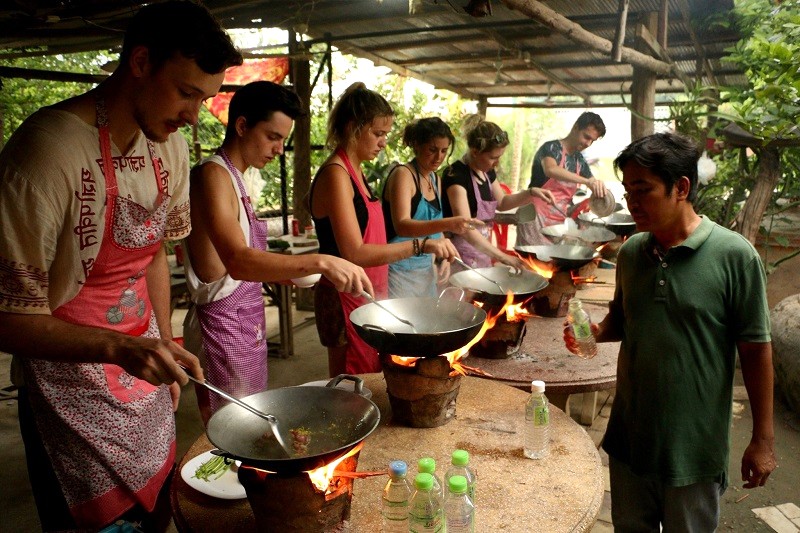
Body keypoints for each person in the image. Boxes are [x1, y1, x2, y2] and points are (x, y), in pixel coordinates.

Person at [0, 2, 242, 530]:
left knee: (158, 513)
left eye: (203, 99)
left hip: (142, 372)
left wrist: (167, 338)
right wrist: (121, 347)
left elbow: (153, 252)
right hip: (69, 395)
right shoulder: (49, 151)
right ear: (139, 62)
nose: (192, 115)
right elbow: (8, 317)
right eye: (185, 92)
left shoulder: (171, 150)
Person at [564, 132, 776, 531]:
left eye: (643, 190)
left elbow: (756, 351)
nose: (632, 202)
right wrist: (594, 332)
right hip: (629, 440)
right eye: (628, 191)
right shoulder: (630, 253)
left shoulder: (734, 256)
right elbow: (622, 322)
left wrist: (763, 439)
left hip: (693, 448)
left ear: (681, 187)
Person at [181, 81, 373, 424]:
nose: (279, 149)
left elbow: (245, 265)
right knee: (230, 430)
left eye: (283, 139)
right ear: (241, 126)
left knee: (251, 422)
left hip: (244, 323)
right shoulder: (212, 175)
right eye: (272, 136)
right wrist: (319, 260)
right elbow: (237, 261)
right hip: (221, 328)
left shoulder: (237, 177)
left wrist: (297, 273)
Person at [309, 83, 458, 377]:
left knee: (371, 378)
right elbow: (355, 251)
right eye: (378, 134)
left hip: (366, 294)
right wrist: (421, 245)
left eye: (385, 135)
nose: (382, 143)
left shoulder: (356, 172)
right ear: (353, 127)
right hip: (343, 296)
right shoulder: (336, 174)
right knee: (350, 383)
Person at [382, 117, 481, 298]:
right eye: (432, 150)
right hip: (398, 270)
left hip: (425, 269)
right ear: (417, 145)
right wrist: (448, 224)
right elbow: (402, 225)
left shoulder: (435, 179)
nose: (439, 157)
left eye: (444, 151)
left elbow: (433, 226)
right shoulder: (403, 175)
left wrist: (443, 255)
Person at [441, 116, 555, 269]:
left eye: (499, 157)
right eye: (493, 158)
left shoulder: (486, 172)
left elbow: (502, 203)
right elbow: (466, 228)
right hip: (459, 254)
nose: (497, 163)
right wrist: (502, 256)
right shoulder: (456, 175)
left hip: (483, 250)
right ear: (475, 152)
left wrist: (531, 192)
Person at [516, 111, 608, 246]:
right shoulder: (551, 148)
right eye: (586, 137)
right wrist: (585, 181)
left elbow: (592, 182)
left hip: (557, 218)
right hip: (534, 215)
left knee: (553, 262)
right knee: (535, 262)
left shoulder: (579, 160)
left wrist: (598, 186)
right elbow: (551, 169)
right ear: (576, 127)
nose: (588, 143)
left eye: (592, 141)